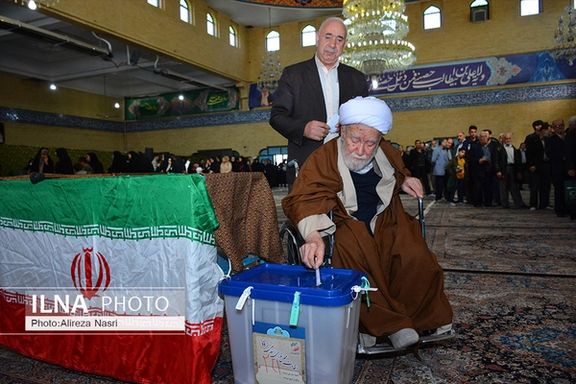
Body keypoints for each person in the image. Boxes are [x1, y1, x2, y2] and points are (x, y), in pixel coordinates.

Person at [282, 97, 453, 350]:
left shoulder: (386, 152)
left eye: (370, 143)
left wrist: (405, 179)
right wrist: (313, 236)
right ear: (342, 131)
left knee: (414, 253)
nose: (362, 150)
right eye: (355, 140)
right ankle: (386, 325)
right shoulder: (323, 159)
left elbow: (398, 168)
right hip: (342, 220)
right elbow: (303, 199)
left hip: (385, 217)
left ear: (379, 140)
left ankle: (420, 318)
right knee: (354, 249)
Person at [270, 17, 369, 187]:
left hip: (348, 167)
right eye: (328, 36)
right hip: (307, 165)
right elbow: (277, 116)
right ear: (317, 38)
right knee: (309, 214)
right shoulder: (293, 75)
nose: (332, 44)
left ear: (345, 44)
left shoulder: (357, 79)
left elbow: (367, 122)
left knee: (347, 213)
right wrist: (304, 128)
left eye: (339, 39)